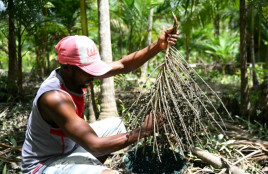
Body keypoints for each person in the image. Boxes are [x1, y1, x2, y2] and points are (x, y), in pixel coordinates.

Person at [21, 27, 179, 174]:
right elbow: (95, 146)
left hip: (70, 148)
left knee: (115, 125)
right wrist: (142, 132)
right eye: (88, 70)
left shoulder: (77, 75)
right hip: (44, 164)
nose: (93, 75)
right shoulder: (54, 98)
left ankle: (88, 168)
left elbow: (123, 65)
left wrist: (157, 46)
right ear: (67, 67)